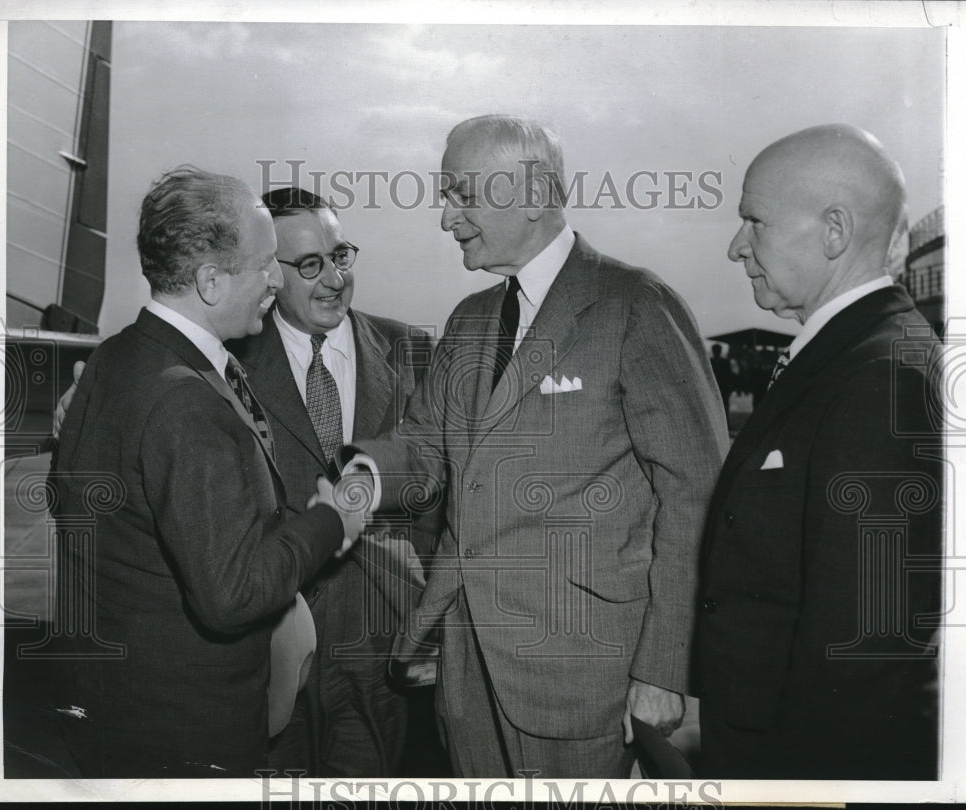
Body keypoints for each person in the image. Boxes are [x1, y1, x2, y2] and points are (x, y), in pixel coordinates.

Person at [354, 114, 729, 778]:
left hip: (584, 675)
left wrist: (665, 669)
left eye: (461, 195)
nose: (445, 218)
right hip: (468, 673)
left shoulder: (634, 306)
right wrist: (363, 476)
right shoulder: (470, 320)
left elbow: (697, 495)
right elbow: (424, 446)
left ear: (530, 195)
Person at [51, 167, 367, 778]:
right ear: (211, 281)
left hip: (111, 711)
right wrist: (332, 520)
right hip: (185, 733)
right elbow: (233, 596)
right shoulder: (186, 402)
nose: (278, 280)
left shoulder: (118, 356)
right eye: (265, 264)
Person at [696, 124, 943, 779]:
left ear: (834, 231)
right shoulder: (856, 356)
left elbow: (863, 659)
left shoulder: (881, 375)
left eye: (754, 221)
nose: (736, 246)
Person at [230, 187, 444, 776]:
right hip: (272, 654)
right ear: (270, 276)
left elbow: (447, 491)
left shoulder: (414, 353)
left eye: (340, 255)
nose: (333, 279)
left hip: (386, 654)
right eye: (308, 264)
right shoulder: (226, 363)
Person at [709, 343, 735, 418]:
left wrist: (729, 388)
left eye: (718, 351)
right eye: (716, 351)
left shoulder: (725, 362)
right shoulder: (710, 362)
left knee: (725, 406)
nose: (717, 352)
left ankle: (726, 423)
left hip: (723, 388)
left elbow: (729, 376)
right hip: (713, 388)